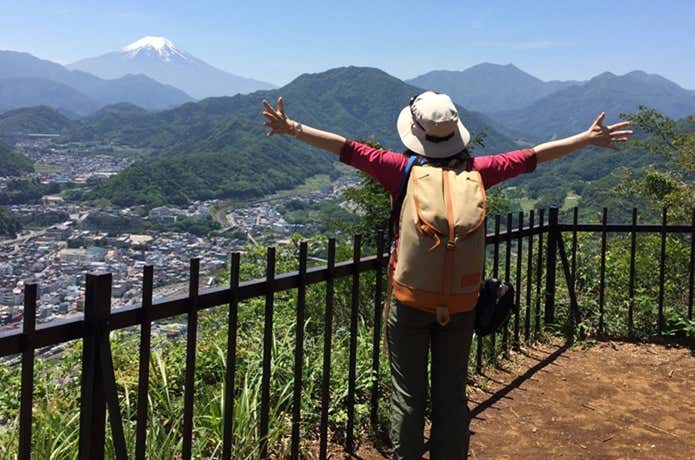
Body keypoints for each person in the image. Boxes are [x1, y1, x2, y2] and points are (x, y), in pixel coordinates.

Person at [262, 92, 632, 459]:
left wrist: (291, 127)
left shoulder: (400, 170)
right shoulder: (478, 172)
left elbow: (349, 149)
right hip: (460, 304)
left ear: (415, 134)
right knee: (452, 397)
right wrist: (585, 139)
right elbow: (530, 157)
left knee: (408, 399)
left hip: (410, 302)